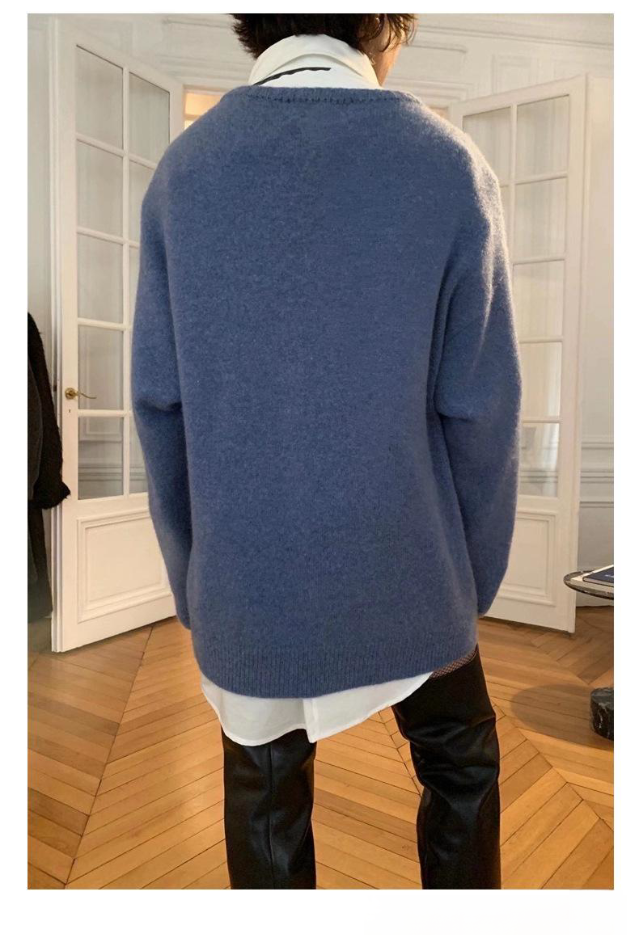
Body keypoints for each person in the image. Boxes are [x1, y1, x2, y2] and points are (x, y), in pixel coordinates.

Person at [131, 13, 522, 890]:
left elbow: (160, 405)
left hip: (248, 583)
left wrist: (198, 585)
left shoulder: (185, 174)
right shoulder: (447, 166)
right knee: (461, 764)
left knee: (264, 794)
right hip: (412, 575)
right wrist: (473, 583)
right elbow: (482, 411)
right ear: (386, 24)